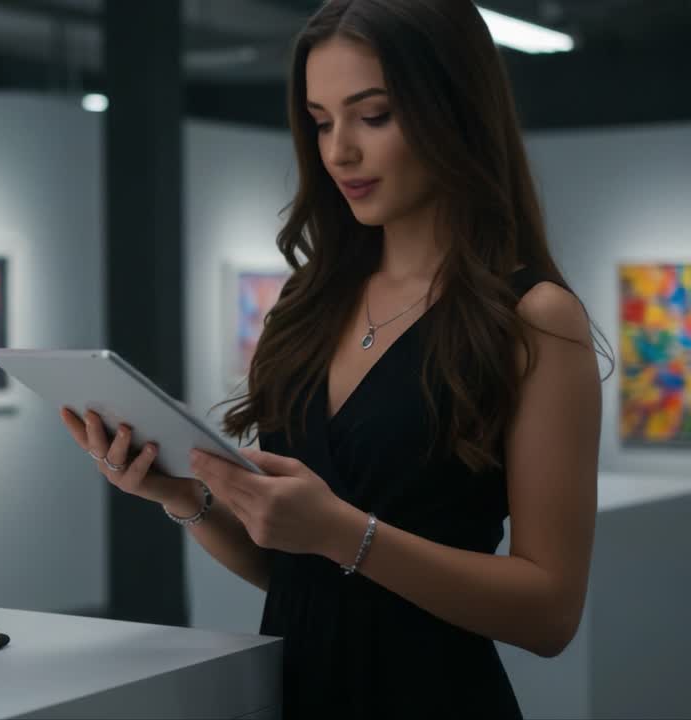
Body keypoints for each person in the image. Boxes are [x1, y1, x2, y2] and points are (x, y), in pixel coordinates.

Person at [60, 0, 610, 717]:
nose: (338, 151)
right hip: (297, 694)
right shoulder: (307, 303)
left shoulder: (534, 320)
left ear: (454, 110)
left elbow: (550, 615)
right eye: (321, 121)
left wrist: (345, 532)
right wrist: (185, 499)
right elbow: (298, 575)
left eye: (372, 116)